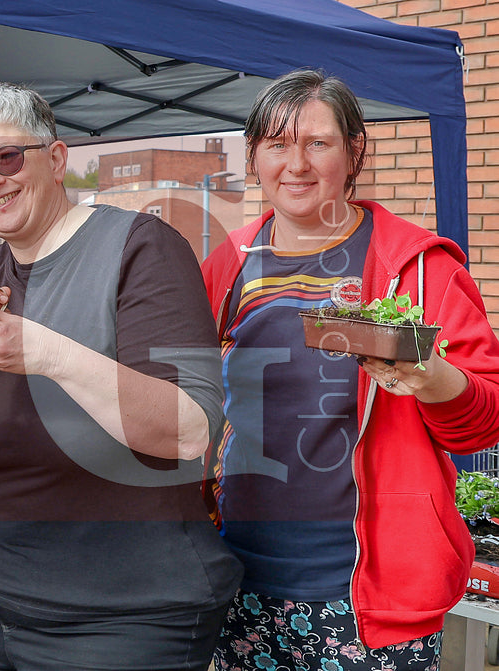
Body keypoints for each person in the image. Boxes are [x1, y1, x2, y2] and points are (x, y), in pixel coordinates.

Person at [0, 82, 242, 670]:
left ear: (56, 158)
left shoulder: (140, 249)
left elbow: (188, 431)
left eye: (6, 158)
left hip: (122, 613)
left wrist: (46, 351)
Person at [202, 69, 499, 671]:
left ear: (354, 149)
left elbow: (482, 424)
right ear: (254, 154)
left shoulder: (418, 268)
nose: (297, 164)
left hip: (372, 596)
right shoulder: (228, 264)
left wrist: (431, 378)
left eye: (318, 143)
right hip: (238, 579)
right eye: (277, 144)